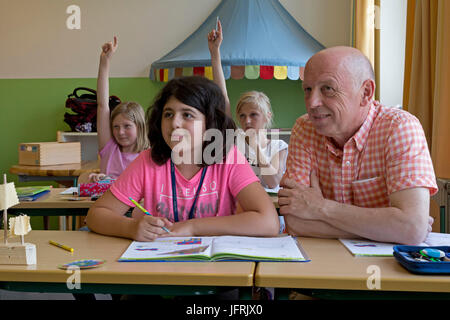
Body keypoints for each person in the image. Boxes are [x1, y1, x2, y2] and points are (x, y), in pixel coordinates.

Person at [86, 76, 279, 241]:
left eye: (187, 114)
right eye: (168, 114)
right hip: (160, 270)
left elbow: (269, 222)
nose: (175, 123)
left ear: (209, 123)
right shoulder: (148, 161)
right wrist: (131, 227)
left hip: (218, 274)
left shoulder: (228, 159)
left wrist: (192, 227)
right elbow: (96, 215)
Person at [278, 46, 438, 245]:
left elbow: (411, 228)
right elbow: (294, 222)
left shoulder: (400, 127)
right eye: (308, 89)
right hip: (322, 265)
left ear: (366, 93)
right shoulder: (304, 128)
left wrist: (321, 208)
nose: (312, 103)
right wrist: (389, 229)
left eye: (328, 89)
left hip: (389, 270)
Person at [207, 20, 288, 192]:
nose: (247, 120)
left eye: (254, 114)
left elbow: (273, 181)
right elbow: (222, 96)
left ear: (267, 116)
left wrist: (256, 146)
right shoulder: (235, 138)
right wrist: (215, 53)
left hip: (269, 210)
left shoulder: (279, 146)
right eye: (242, 115)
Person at [81, 36, 149, 183]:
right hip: (107, 205)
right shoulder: (109, 148)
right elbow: (102, 105)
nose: (120, 132)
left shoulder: (148, 156)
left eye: (127, 126)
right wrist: (105, 62)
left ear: (140, 127)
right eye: (116, 127)